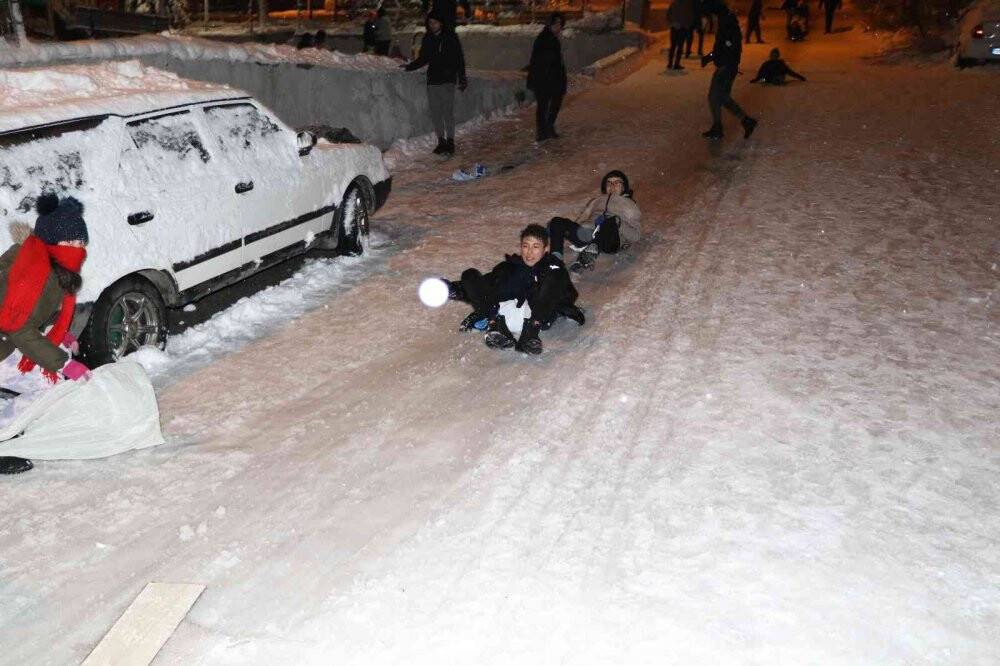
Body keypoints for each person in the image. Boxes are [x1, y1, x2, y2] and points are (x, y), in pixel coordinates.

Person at [0, 193, 93, 475]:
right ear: (51, 241)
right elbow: (18, 327)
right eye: (70, 242)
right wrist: (63, 364)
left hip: (6, 338)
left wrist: (59, 332)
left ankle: (11, 431)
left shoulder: (42, 261)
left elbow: (33, 311)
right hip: (7, 339)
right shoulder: (35, 272)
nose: (78, 249)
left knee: (42, 383)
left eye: (81, 243)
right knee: (43, 386)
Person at [445, 224, 582, 355]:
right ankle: (495, 325)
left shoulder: (552, 268)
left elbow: (565, 293)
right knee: (470, 274)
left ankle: (531, 331)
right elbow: (487, 284)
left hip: (537, 316)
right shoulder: (511, 267)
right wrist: (455, 289)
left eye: (536, 247)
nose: (529, 252)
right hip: (503, 315)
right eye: (525, 246)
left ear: (546, 249)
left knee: (552, 275)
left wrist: (565, 308)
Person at [547, 170, 641, 273]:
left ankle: (587, 256)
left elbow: (636, 235)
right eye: (609, 183)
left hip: (610, 241)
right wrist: (564, 229)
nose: (612, 186)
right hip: (588, 234)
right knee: (557, 221)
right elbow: (581, 219)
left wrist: (619, 223)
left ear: (623, 187)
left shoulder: (629, 205)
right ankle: (555, 262)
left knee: (611, 220)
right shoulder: (597, 201)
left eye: (617, 183)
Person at [402, 12, 468, 156]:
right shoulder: (428, 38)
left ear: (441, 23)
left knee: (447, 112)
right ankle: (441, 141)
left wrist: (462, 76)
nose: (432, 25)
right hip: (433, 79)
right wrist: (409, 67)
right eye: (430, 22)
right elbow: (423, 58)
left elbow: (459, 57)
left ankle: (450, 141)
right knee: (436, 112)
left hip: (448, 79)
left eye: (435, 22)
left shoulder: (450, 37)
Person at [700, 1, 758, 140]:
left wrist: (716, 58)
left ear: (716, 14)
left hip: (726, 68)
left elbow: (727, 47)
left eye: (712, 16)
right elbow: (723, 47)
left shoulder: (726, 24)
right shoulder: (727, 22)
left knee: (714, 97)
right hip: (728, 66)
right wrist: (711, 57)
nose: (712, 20)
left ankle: (718, 128)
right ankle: (746, 121)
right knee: (723, 97)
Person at [527, 13, 567, 142]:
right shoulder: (545, 38)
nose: (558, 27)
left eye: (560, 24)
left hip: (550, 79)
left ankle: (547, 129)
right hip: (545, 79)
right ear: (550, 24)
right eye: (556, 24)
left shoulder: (552, 38)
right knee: (544, 105)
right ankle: (543, 131)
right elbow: (542, 60)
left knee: (551, 104)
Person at [667, 0, 695, 70]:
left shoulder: (673, 4)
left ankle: (670, 63)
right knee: (680, 46)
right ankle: (676, 64)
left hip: (674, 27)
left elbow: (668, 15)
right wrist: (687, 25)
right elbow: (690, 17)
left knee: (673, 46)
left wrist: (673, 22)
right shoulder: (687, 5)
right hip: (682, 28)